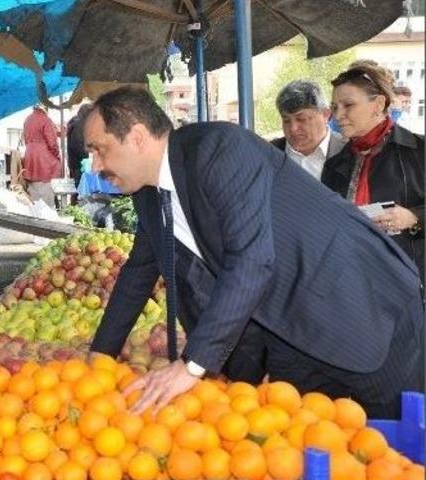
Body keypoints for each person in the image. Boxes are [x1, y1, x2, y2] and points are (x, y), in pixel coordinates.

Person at [85, 87, 424, 418]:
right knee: (299, 438)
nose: (95, 166)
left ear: (138, 137)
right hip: (290, 330)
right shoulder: (148, 194)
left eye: (100, 150)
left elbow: (250, 260)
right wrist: (99, 358)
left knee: (392, 441)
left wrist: (192, 365)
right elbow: (138, 274)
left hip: (363, 305)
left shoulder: (218, 149)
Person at [321, 64, 424, 286]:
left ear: (378, 104)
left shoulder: (419, 150)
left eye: (348, 105)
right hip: (355, 281)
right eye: (334, 107)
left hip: (411, 284)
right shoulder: (335, 165)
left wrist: (413, 217)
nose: (338, 115)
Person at [271, 80, 346, 179]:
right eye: (286, 120)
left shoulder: (349, 152)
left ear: (326, 114)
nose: (293, 128)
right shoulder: (269, 153)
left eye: (301, 119)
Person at [22, 103, 62, 207]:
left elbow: (25, 139)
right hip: (43, 158)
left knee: (33, 190)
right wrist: (57, 155)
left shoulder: (27, 120)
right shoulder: (46, 120)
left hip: (30, 155)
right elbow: (52, 143)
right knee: (46, 190)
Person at [67, 104, 94, 188]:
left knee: (78, 188)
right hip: (79, 164)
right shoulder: (79, 125)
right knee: (80, 188)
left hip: (75, 163)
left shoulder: (77, 122)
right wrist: (88, 155)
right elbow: (77, 145)